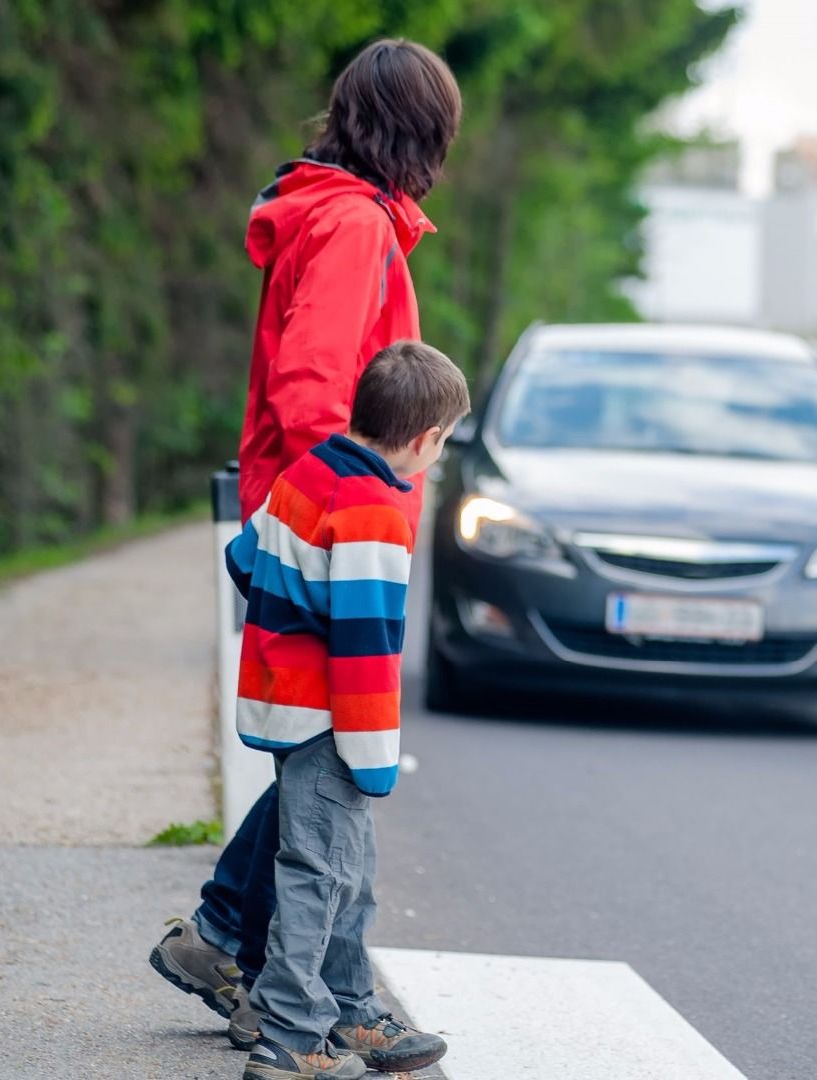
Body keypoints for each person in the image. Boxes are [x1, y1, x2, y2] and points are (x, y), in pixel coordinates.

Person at [147, 35, 461, 1061]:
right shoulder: (353, 227)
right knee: (332, 769)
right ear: (420, 135)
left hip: (302, 516)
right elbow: (311, 392)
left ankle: (225, 940)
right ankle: (321, 1004)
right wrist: (357, 505)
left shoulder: (331, 214)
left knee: (314, 768)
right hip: (330, 528)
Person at [231, 342, 470, 1079]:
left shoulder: (309, 471)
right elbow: (365, 652)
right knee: (318, 870)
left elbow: (246, 556)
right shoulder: (374, 512)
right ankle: (293, 1034)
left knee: (346, 864)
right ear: (425, 441)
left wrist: (294, 600)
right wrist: (373, 759)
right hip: (330, 719)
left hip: (281, 697)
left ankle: (350, 1007)